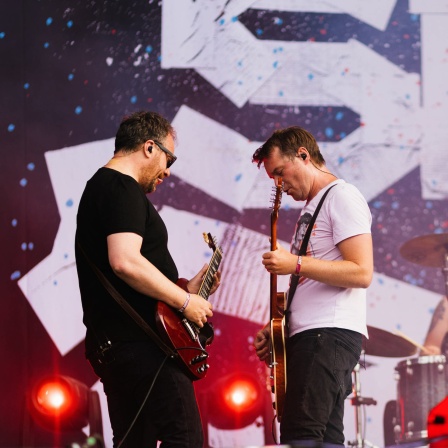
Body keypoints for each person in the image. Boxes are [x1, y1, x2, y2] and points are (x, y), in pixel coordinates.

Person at [75, 111, 220, 447]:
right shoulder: (120, 187)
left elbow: (128, 273)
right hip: (145, 346)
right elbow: (125, 261)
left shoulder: (101, 188)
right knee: (183, 438)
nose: (167, 171)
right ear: (149, 147)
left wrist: (192, 288)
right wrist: (185, 302)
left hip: (119, 345)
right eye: (169, 159)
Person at [252, 126, 373, 445]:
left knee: (300, 434)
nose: (279, 184)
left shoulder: (342, 196)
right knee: (325, 437)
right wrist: (277, 327)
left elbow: (362, 272)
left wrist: (295, 263)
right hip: (315, 335)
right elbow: (308, 280)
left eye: (280, 172)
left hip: (327, 334)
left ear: (303, 156)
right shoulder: (312, 207)